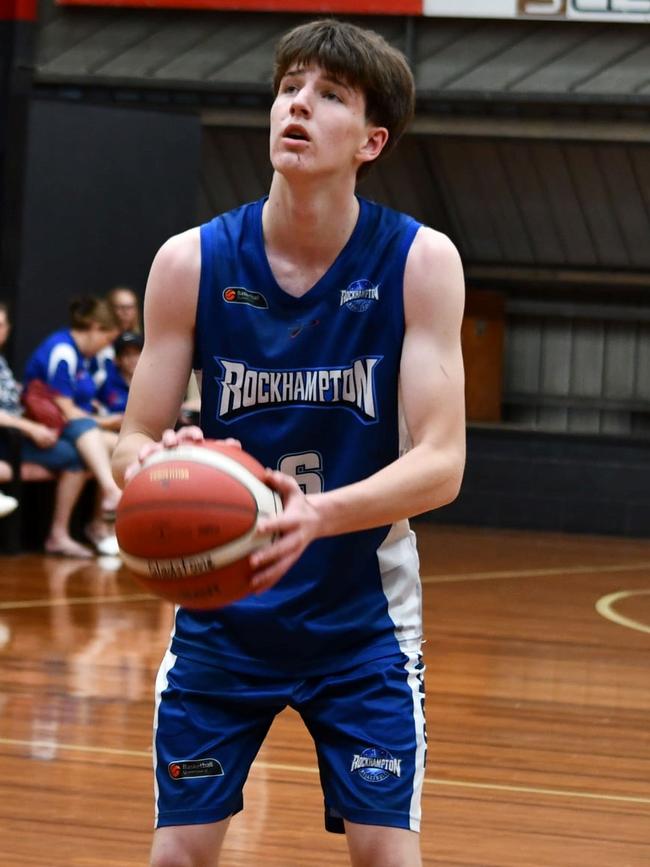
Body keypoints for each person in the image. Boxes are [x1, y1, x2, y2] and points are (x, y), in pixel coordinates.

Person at [112, 18, 465, 867]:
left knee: (389, 855)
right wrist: (154, 466)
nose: (298, 105)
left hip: (362, 622)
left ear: (371, 139)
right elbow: (130, 440)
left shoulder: (420, 262)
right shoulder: (189, 263)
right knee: (174, 857)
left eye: (330, 95)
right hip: (223, 615)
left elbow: (443, 463)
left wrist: (317, 515)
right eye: (289, 87)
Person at [23, 296, 124, 556]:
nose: (106, 346)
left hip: (68, 431)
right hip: (43, 430)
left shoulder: (85, 357)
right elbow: (66, 413)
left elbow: (84, 405)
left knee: (118, 446)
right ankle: (107, 502)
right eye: (107, 339)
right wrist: (106, 421)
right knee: (88, 437)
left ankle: (98, 523)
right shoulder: (63, 351)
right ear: (93, 327)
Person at [0, 302, 95, 556]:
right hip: (9, 438)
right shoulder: (63, 348)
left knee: (76, 454)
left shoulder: (1, 361)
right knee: (75, 455)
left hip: (18, 434)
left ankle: (59, 534)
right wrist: (30, 426)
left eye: (1, 325)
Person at [95, 330, 143, 427]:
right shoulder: (104, 382)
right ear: (116, 360)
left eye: (136, 353)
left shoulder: (153, 383)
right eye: (127, 354)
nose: (132, 359)